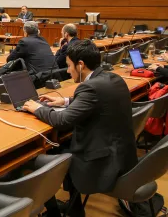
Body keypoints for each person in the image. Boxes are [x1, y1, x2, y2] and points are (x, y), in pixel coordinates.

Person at [22, 40, 137, 217]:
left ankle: (56, 213)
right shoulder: (113, 78)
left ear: (81, 65)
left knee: (42, 157)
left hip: (100, 163)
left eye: (69, 66)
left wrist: (37, 108)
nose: (68, 71)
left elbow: (62, 120)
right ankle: (74, 209)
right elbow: (97, 101)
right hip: (122, 155)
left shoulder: (90, 87)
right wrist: (65, 101)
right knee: (60, 144)